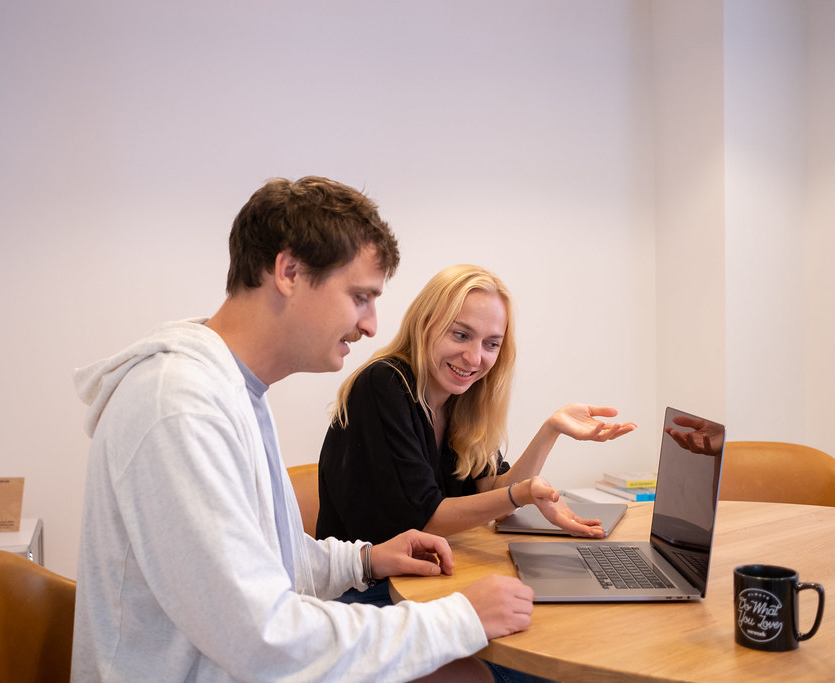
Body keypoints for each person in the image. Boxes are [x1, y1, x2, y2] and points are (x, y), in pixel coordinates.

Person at [71, 178, 536, 682]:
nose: (372, 325)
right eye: (360, 297)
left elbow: (274, 560)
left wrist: (366, 559)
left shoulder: (232, 390)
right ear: (289, 271)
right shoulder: (181, 408)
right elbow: (263, 640)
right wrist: (458, 618)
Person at [317, 264, 637, 605]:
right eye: (460, 334)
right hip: (368, 592)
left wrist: (551, 429)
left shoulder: (460, 399)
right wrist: (522, 493)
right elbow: (428, 520)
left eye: (491, 344)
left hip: (427, 578)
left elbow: (495, 493)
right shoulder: (385, 384)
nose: (474, 358)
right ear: (424, 325)